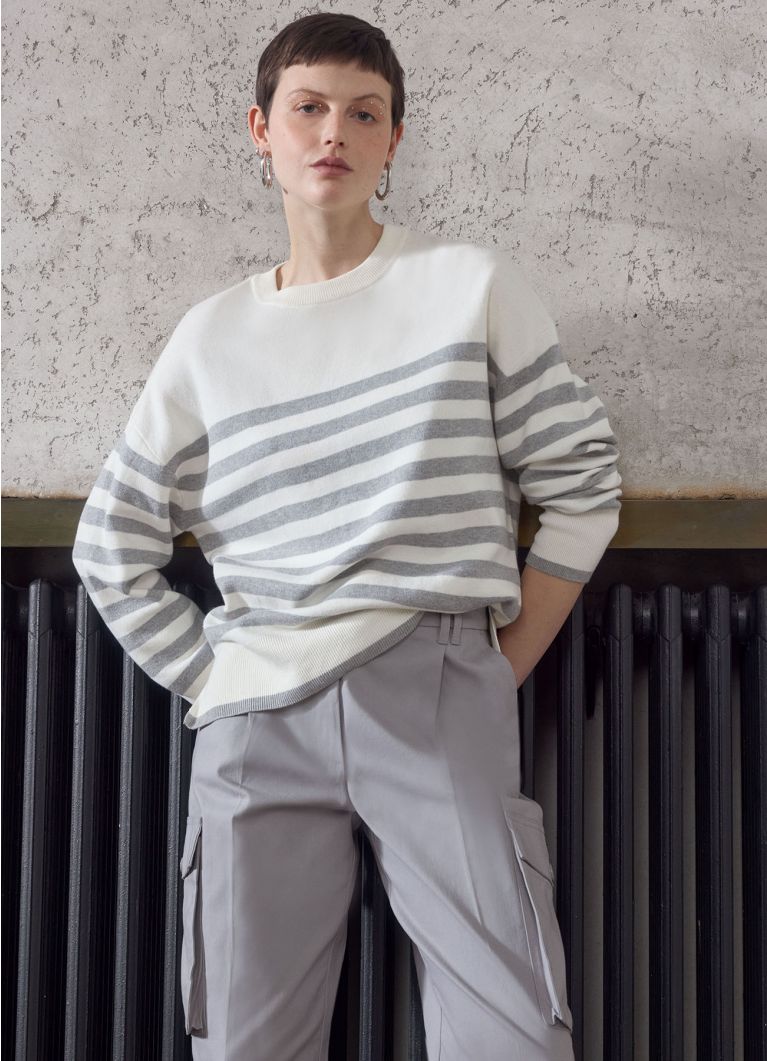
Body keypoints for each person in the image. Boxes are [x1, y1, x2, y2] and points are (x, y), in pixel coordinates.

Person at [72, 11, 622, 1060]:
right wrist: (219, 678)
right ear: (261, 129)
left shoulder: (468, 287)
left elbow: (582, 483)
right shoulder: (209, 339)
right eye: (309, 108)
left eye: (364, 114)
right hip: (256, 720)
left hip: (437, 682)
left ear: (392, 140)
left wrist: (497, 665)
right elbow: (110, 546)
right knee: (245, 1040)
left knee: (511, 1031)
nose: (334, 132)